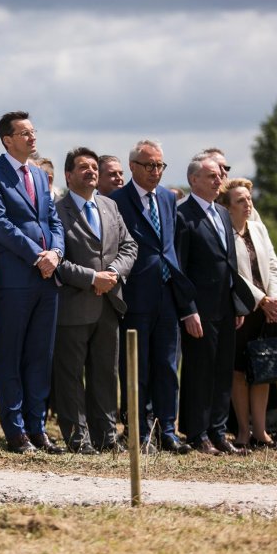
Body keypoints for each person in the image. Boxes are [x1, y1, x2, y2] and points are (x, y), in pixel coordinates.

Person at [0, 111, 66, 454]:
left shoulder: (41, 176)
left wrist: (55, 254)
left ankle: (37, 427)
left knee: (40, 356)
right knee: (12, 356)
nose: (32, 138)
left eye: (34, 132)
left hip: (47, 278)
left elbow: (54, 220)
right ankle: (15, 431)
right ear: (7, 140)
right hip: (16, 278)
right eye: (25, 134)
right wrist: (36, 256)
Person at [109, 140, 192, 454]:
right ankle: (139, 432)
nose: (155, 171)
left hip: (168, 295)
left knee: (168, 367)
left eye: (160, 165)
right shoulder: (116, 200)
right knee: (136, 367)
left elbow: (169, 247)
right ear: (133, 166)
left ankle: (167, 430)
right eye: (149, 165)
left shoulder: (169, 199)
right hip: (135, 296)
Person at [52, 147, 137, 454]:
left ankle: (107, 438)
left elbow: (129, 246)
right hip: (74, 305)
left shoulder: (110, 206)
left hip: (109, 304)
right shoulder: (57, 211)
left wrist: (113, 273)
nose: (90, 171)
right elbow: (56, 260)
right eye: (83, 167)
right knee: (71, 376)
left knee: (105, 374)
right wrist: (92, 278)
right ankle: (78, 439)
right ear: (68, 175)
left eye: (93, 167)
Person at [175, 156, 255, 455]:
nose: (217, 179)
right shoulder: (183, 214)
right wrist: (188, 309)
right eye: (210, 175)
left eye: (218, 175)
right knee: (200, 371)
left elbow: (229, 261)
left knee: (223, 370)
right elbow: (179, 267)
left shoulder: (222, 213)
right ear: (193, 179)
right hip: (199, 308)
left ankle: (218, 432)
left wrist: (236, 304)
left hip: (224, 305)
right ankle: (197, 433)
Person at [218, 178, 277, 449]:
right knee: (239, 372)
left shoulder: (258, 228)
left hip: (269, 311)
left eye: (249, 199)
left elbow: (273, 265)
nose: (248, 204)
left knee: (263, 369)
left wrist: (276, 298)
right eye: (240, 201)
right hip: (242, 309)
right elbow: (233, 274)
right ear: (228, 207)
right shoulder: (223, 233)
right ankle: (243, 431)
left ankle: (261, 430)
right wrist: (261, 299)